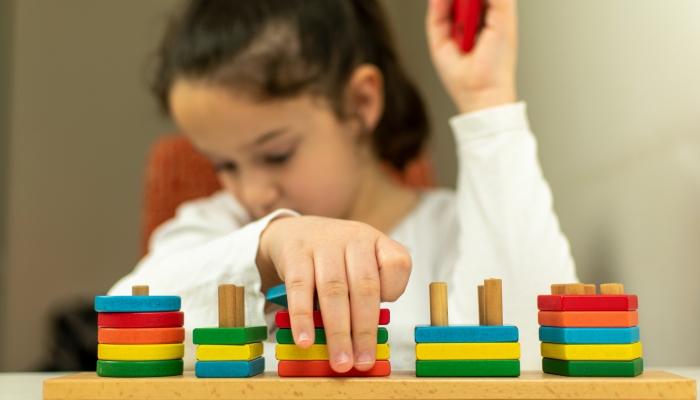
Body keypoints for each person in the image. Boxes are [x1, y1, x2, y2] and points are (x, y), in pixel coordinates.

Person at [109, 0, 578, 371]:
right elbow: (129, 319)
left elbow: (535, 353)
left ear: (359, 104)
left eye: (276, 155)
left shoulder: (456, 230)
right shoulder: (221, 224)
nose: (253, 193)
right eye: (223, 164)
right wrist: (272, 241)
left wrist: (486, 101)